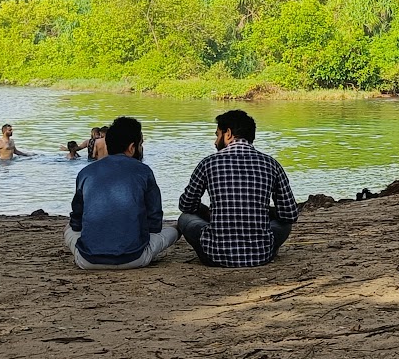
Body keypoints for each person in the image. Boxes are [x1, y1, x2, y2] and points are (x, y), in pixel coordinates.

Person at [177, 109, 299, 267]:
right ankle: (265, 246)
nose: (215, 142)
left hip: (215, 255)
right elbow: (290, 214)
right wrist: (263, 209)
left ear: (228, 134)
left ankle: (210, 249)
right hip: (260, 255)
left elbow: (186, 205)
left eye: (217, 135)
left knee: (184, 218)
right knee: (284, 224)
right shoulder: (271, 164)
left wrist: (207, 212)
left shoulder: (208, 163)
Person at [64, 116, 178, 270]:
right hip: (135, 258)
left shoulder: (85, 172)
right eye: (140, 145)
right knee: (175, 229)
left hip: (88, 260)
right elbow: (155, 222)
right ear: (132, 148)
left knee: (68, 229)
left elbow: (76, 222)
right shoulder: (144, 171)